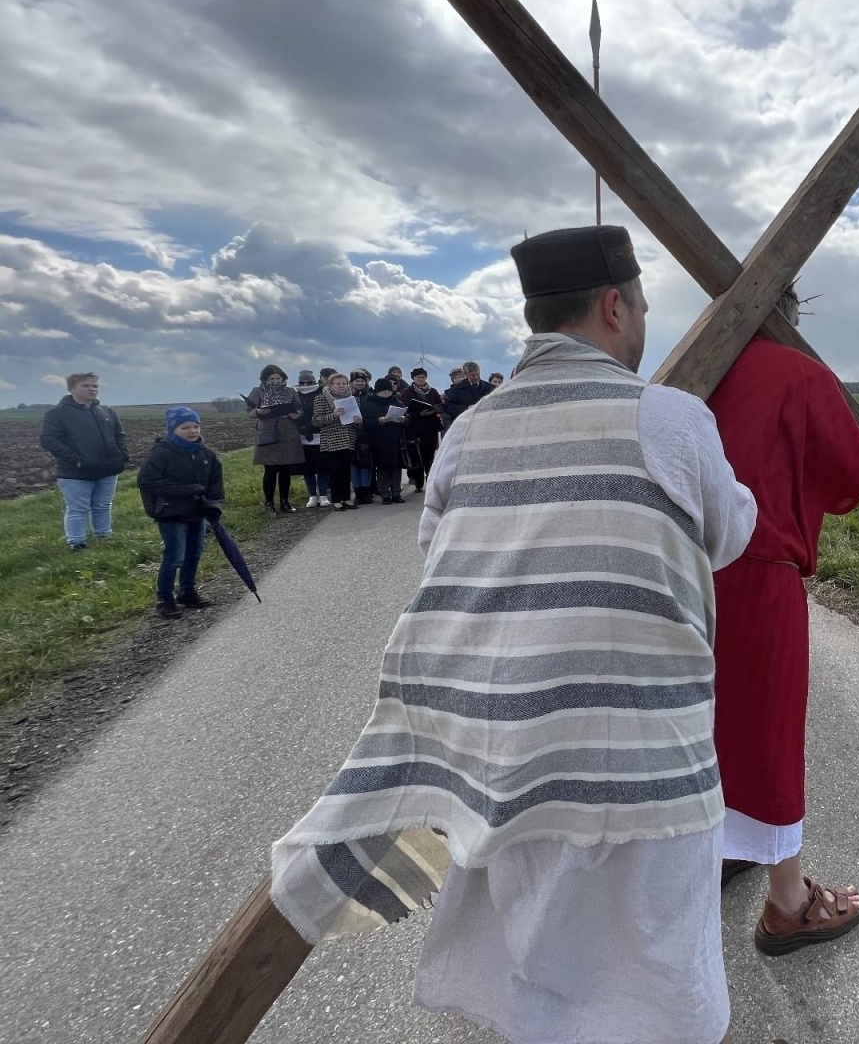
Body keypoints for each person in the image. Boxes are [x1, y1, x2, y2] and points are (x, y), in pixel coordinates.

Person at [271, 225, 755, 1044]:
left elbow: (439, 546)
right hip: (645, 766)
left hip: (499, 759)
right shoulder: (670, 417)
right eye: (639, 306)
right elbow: (729, 532)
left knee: (538, 969)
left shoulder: (467, 429)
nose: (642, 322)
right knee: (659, 982)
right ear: (614, 306)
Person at [707, 285, 859, 954]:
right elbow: (849, 466)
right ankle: (789, 905)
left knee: (704, 725)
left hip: (685, 578)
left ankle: (723, 847)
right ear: (789, 313)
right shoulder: (799, 372)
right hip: (760, 577)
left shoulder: (696, 374)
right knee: (765, 731)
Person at [136, 407, 224, 620]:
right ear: (173, 429)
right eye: (185, 427)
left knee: (194, 553)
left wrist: (213, 504)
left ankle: (187, 592)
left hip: (197, 512)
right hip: (171, 512)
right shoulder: (162, 452)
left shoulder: (205, 453)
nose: (192, 431)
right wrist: (185, 490)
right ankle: (164, 599)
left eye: (195, 426)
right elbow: (147, 481)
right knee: (175, 556)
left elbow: (215, 482)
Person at [39, 372, 128, 550]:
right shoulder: (57, 413)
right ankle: (77, 543)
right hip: (75, 471)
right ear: (72, 388)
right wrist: (77, 460)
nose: (92, 389)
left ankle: (104, 536)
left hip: (108, 469)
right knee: (78, 508)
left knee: (103, 505)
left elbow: (119, 435)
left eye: (95, 386)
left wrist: (122, 456)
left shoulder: (106, 411)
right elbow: (49, 440)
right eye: (85, 386)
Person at [245, 365, 305, 514]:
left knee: (285, 469)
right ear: (265, 379)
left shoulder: (290, 391)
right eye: (272, 378)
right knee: (270, 470)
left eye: (278, 378)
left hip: (287, 432)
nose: (275, 381)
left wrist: (294, 414)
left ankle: (285, 502)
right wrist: (258, 411)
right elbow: (249, 412)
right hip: (268, 432)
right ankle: (269, 504)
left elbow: (299, 409)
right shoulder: (258, 391)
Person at [311, 372, 360, 510]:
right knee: (334, 472)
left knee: (345, 472)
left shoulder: (353, 399)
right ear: (330, 385)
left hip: (348, 439)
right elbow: (316, 421)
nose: (341, 386)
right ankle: (337, 500)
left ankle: (347, 498)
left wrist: (358, 421)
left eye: (344, 383)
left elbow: (358, 421)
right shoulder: (321, 399)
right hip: (331, 440)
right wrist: (333, 415)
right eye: (338, 383)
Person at [362, 377, 409, 504]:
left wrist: (403, 420)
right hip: (378, 441)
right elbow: (367, 424)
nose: (386, 395)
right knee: (382, 469)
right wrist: (379, 421)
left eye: (388, 392)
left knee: (396, 468)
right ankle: (385, 494)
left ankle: (396, 493)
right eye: (383, 392)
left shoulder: (398, 403)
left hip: (395, 440)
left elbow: (408, 421)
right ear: (377, 392)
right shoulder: (369, 404)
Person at [400, 367, 443, 492]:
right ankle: (419, 483)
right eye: (418, 377)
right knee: (417, 455)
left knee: (430, 455)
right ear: (413, 378)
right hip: (415, 427)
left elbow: (440, 406)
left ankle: (431, 481)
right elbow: (405, 409)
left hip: (431, 427)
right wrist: (419, 414)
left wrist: (435, 410)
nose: (421, 379)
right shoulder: (407, 392)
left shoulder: (433, 391)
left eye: (423, 377)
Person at [294, 370, 332, 508]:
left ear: (314, 381)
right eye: (302, 382)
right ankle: (312, 495)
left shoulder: (322, 392)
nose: (305, 384)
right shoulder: (295, 394)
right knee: (307, 468)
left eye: (308, 382)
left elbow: (325, 411)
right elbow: (291, 413)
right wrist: (301, 427)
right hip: (302, 436)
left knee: (322, 467)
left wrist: (311, 426)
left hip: (320, 434)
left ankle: (323, 495)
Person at [347, 369, 377, 503]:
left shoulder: (371, 396)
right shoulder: (346, 396)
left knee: (366, 463)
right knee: (354, 465)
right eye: (356, 381)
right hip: (351, 433)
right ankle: (358, 492)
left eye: (362, 381)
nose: (359, 383)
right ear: (352, 382)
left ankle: (366, 491)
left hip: (368, 433)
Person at [441, 360, 489, 431]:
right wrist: (467, 408)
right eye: (472, 375)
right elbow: (449, 407)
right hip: (464, 427)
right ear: (466, 375)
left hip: (485, 426)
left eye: (477, 374)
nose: (475, 377)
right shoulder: (455, 389)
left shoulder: (490, 388)